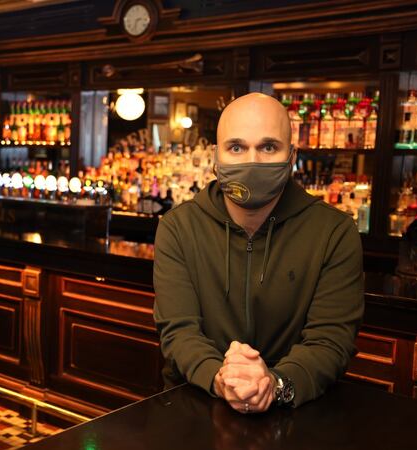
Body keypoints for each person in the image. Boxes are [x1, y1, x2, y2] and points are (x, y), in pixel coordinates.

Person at [153, 92, 364, 414]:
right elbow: (179, 332)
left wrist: (274, 384)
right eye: (236, 148)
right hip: (193, 403)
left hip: (295, 409)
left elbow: (330, 340)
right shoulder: (178, 227)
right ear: (216, 156)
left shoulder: (334, 232)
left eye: (268, 147)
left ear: (291, 155)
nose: (252, 161)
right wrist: (221, 379)